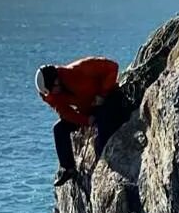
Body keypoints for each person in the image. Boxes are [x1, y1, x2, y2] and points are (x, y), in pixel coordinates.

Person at [36, 58, 129, 187]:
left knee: (102, 139)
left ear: (56, 81)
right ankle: (68, 168)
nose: (52, 94)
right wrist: (86, 120)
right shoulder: (54, 94)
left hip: (109, 100)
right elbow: (66, 113)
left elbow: (113, 67)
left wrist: (102, 94)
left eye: (52, 90)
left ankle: (110, 169)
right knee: (59, 129)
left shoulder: (80, 69)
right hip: (89, 110)